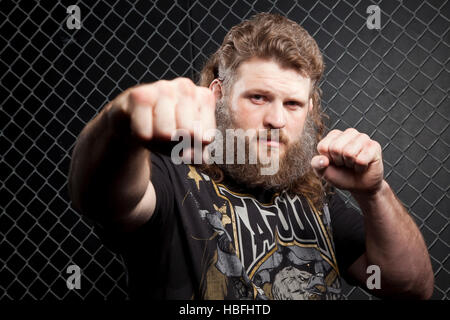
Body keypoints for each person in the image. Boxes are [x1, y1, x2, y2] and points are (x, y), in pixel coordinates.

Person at [68, 13, 434, 300]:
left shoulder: (313, 193)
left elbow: (411, 288)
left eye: (292, 104)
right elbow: (102, 199)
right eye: (258, 97)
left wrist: (374, 194)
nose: (276, 119)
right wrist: (120, 124)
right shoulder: (171, 175)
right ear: (218, 93)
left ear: (309, 108)